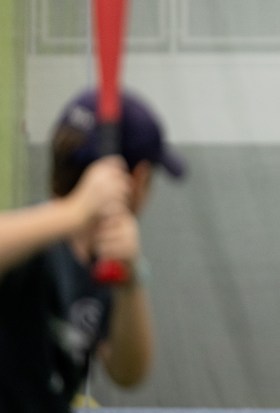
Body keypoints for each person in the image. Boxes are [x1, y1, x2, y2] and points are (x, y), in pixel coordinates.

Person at [0, 89, 186, 412]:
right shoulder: (32, 243)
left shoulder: (102, 263)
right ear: (138, 179)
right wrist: (75, 212)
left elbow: (127, 372)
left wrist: (131, 281)